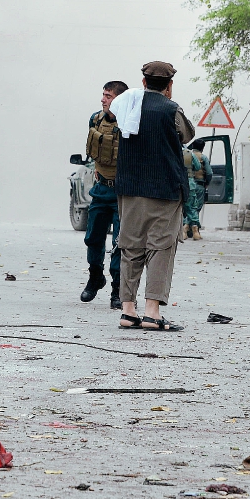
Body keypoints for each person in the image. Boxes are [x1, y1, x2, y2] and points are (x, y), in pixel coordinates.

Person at [109, 61, 195, 332]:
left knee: (131, 246)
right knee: (160, 247)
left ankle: (127, 310)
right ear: (169, 86)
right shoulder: (171, 109)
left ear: (144, 82)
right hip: (164, 191)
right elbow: (187, 135)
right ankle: (152, 313)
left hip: (129, 189)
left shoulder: (125, 106)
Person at [81, 80, 128, 308]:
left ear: (118, 99)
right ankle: (95, 277)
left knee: (120, 242)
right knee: (93, 238)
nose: (103, 99)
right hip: (100, 189)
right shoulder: (95, 119)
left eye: (108, 96)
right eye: (103, 95)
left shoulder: (130, 123)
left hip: (122, 192)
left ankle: (117, 290)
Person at [182, 138, 209, 241]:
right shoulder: (188, 153)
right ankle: (194, 230)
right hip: (189, 182)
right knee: (192, 207)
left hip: (174, 184)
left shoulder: (169, 151)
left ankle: (183, 229)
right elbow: (197, 167)